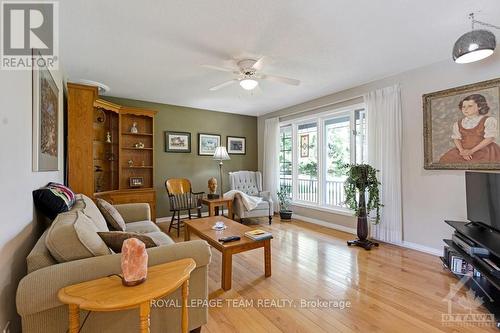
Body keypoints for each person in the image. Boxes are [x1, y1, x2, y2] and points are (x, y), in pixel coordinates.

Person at [440, 94, 500, 163]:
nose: (465, 109)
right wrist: (462, 151)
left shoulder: (488, 120)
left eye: (470, 106)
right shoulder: (458, 124)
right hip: (463, 150)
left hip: (483, 150)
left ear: (479, 107)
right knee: (445, 159)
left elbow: (490, 138)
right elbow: (456, 138)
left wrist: (471, 151)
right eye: (463, 107)